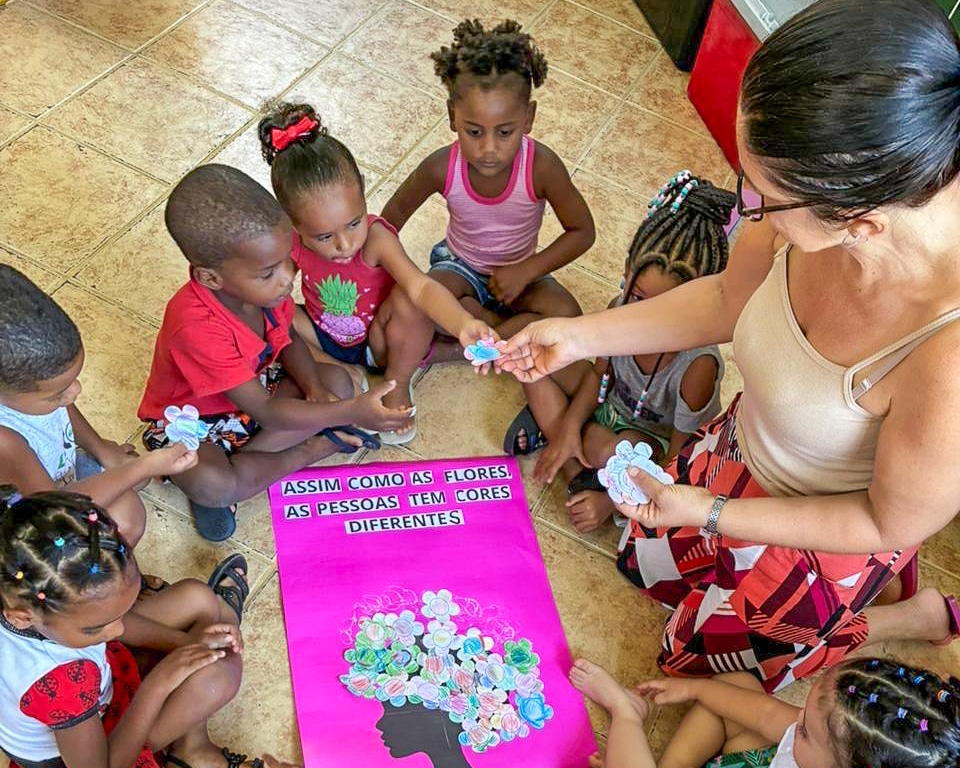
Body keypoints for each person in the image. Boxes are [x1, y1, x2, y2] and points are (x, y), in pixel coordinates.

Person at [499, 0, 960, 691]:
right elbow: (724, 300)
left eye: (765, 196)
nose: (744, 206)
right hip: (733, 457)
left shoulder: (945, 358)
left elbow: (879, 518)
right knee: (650, 568)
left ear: (860, 226)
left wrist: (711, 513)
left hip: (817, 540)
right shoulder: (802, 203)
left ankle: (899, 620)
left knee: (699, 658)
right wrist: (578, 335)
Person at [138, 164, 413, 541]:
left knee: (334, 381)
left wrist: (316, 390)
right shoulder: (195, 326)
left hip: (252, 397)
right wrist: (350, 412)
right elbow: (266, 411)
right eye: (268, 272)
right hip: (195, 420)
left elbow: (288, 341)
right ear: (211, 278)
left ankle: (246, 471)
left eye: (287, 259)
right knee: (213, 483)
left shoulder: (267, 291)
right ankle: (305, 453)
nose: (287, 277)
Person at [257, 102, 498, 444]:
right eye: (324, 237)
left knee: (411, 300)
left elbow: (422, 288)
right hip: (322, 335)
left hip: (380, 340)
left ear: (363, 193)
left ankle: (398, 382)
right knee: (265, 312)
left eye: (353, 223)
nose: (344, 245)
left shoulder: (377, 239)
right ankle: (344, 371)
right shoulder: (293, 243)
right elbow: (270, 294)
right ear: (293, 224)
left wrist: (461, 323)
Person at [0, 487, 288, 768]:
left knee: (197, 598)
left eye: (123, 609)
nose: (116, 630)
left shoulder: (23, 597)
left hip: (89, 679)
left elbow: (117, 627)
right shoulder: (59, 681)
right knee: (219, 676)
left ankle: (191, 745)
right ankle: (189, 750)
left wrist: (183, 644)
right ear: (23, 617)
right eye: (97, 627)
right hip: (93, 747)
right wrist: (160, 682)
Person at [507, 174, 730, 534]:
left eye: (669, 308)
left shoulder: (697, 365)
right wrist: (568, 428)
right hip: (608, 405)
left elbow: (678, 459)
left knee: (614, 448)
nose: (647, 318)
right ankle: (573, 462)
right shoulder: (618, 310)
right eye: (639, 299)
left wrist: (611, 502)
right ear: (626, 271)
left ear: (697, 305)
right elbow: (598, 377)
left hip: (648, 442)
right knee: (534, 365)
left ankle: (592, 481)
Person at [380, 18, 594, 364]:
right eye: (475, 132)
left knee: (569, 316)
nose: (489, 149)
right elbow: (389, 221)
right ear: (453, 117)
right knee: (413, 304)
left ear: (528, 118)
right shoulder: (440, 167)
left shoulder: (541, 166)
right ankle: (493, 334)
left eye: (505, 132)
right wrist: (382, 280)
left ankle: (470, 337)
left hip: (523, 273)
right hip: (460, 267)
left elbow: (583, 231)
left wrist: (527, 271)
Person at [0, 265, 197, 548]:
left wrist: (102, 449)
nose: (75, 392)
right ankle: (101, 590)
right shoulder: (4, 440)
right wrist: (144, 467)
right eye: (56, 394)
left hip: (54, 478)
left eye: (73, 380)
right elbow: (55, 511)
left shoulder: (27, 390)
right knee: (117, 528)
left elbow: (60, 409)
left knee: (127, 509)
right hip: (38, 517)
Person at [570, 656, 960, 768]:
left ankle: (627, 714)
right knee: (737, 684)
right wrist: (695, 688)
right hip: (762, 760)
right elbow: (764, 714)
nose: (796, 721)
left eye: (805, 730)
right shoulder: (834, 743)